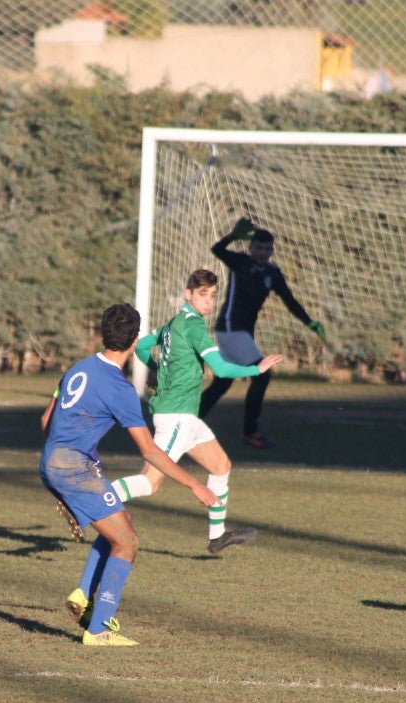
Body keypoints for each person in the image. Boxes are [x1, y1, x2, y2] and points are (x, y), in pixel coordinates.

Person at [40, 303, 219, 647]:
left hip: (58, 461)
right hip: (74, 468)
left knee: (120, 527)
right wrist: (195, 483)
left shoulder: (78, 368)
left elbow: (45, 422)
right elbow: (150, 451)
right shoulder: (119, 389)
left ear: (103, 333)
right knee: (128, 542)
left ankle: (84, 599)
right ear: (136, 340)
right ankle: (99, 629)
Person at [111, 269, 283, 554]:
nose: (209, 301)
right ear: (188, 294)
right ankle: (92, 501)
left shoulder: (172, 325)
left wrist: (156, 368)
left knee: (220, 466)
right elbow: (222, 369)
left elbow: (141, 345)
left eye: (213, 295)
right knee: (150, 483)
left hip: (185, 417)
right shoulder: (193, 327)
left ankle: (217, 537)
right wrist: (257, 368)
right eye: (203, 295)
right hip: (177, 416)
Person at [199, 217, 326, 448]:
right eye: (258, 247)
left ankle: (187, 424)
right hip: (230, 328)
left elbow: (289, 301)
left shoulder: (273, 273)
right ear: (250, 247)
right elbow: (217, 249)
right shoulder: (239, 262)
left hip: (242, 332)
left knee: (223, 382)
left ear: (271, 250)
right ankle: (250, 432)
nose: (262, 252)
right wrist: (232, 236)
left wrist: (310, 322)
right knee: (262, 374)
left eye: (267, 248)